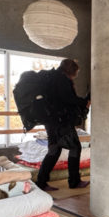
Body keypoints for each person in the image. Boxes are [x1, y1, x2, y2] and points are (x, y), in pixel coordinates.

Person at [35, 59, 90, 192]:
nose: (76, 75)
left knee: (54, 150)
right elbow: (68, 99)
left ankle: (41, 182)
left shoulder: (52, 78)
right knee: (75, 147)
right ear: (71, 70)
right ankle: (74, 181)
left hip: (51, 121)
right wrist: (84, 102)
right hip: (61, 121)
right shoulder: (62, 80)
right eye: (76, 72)